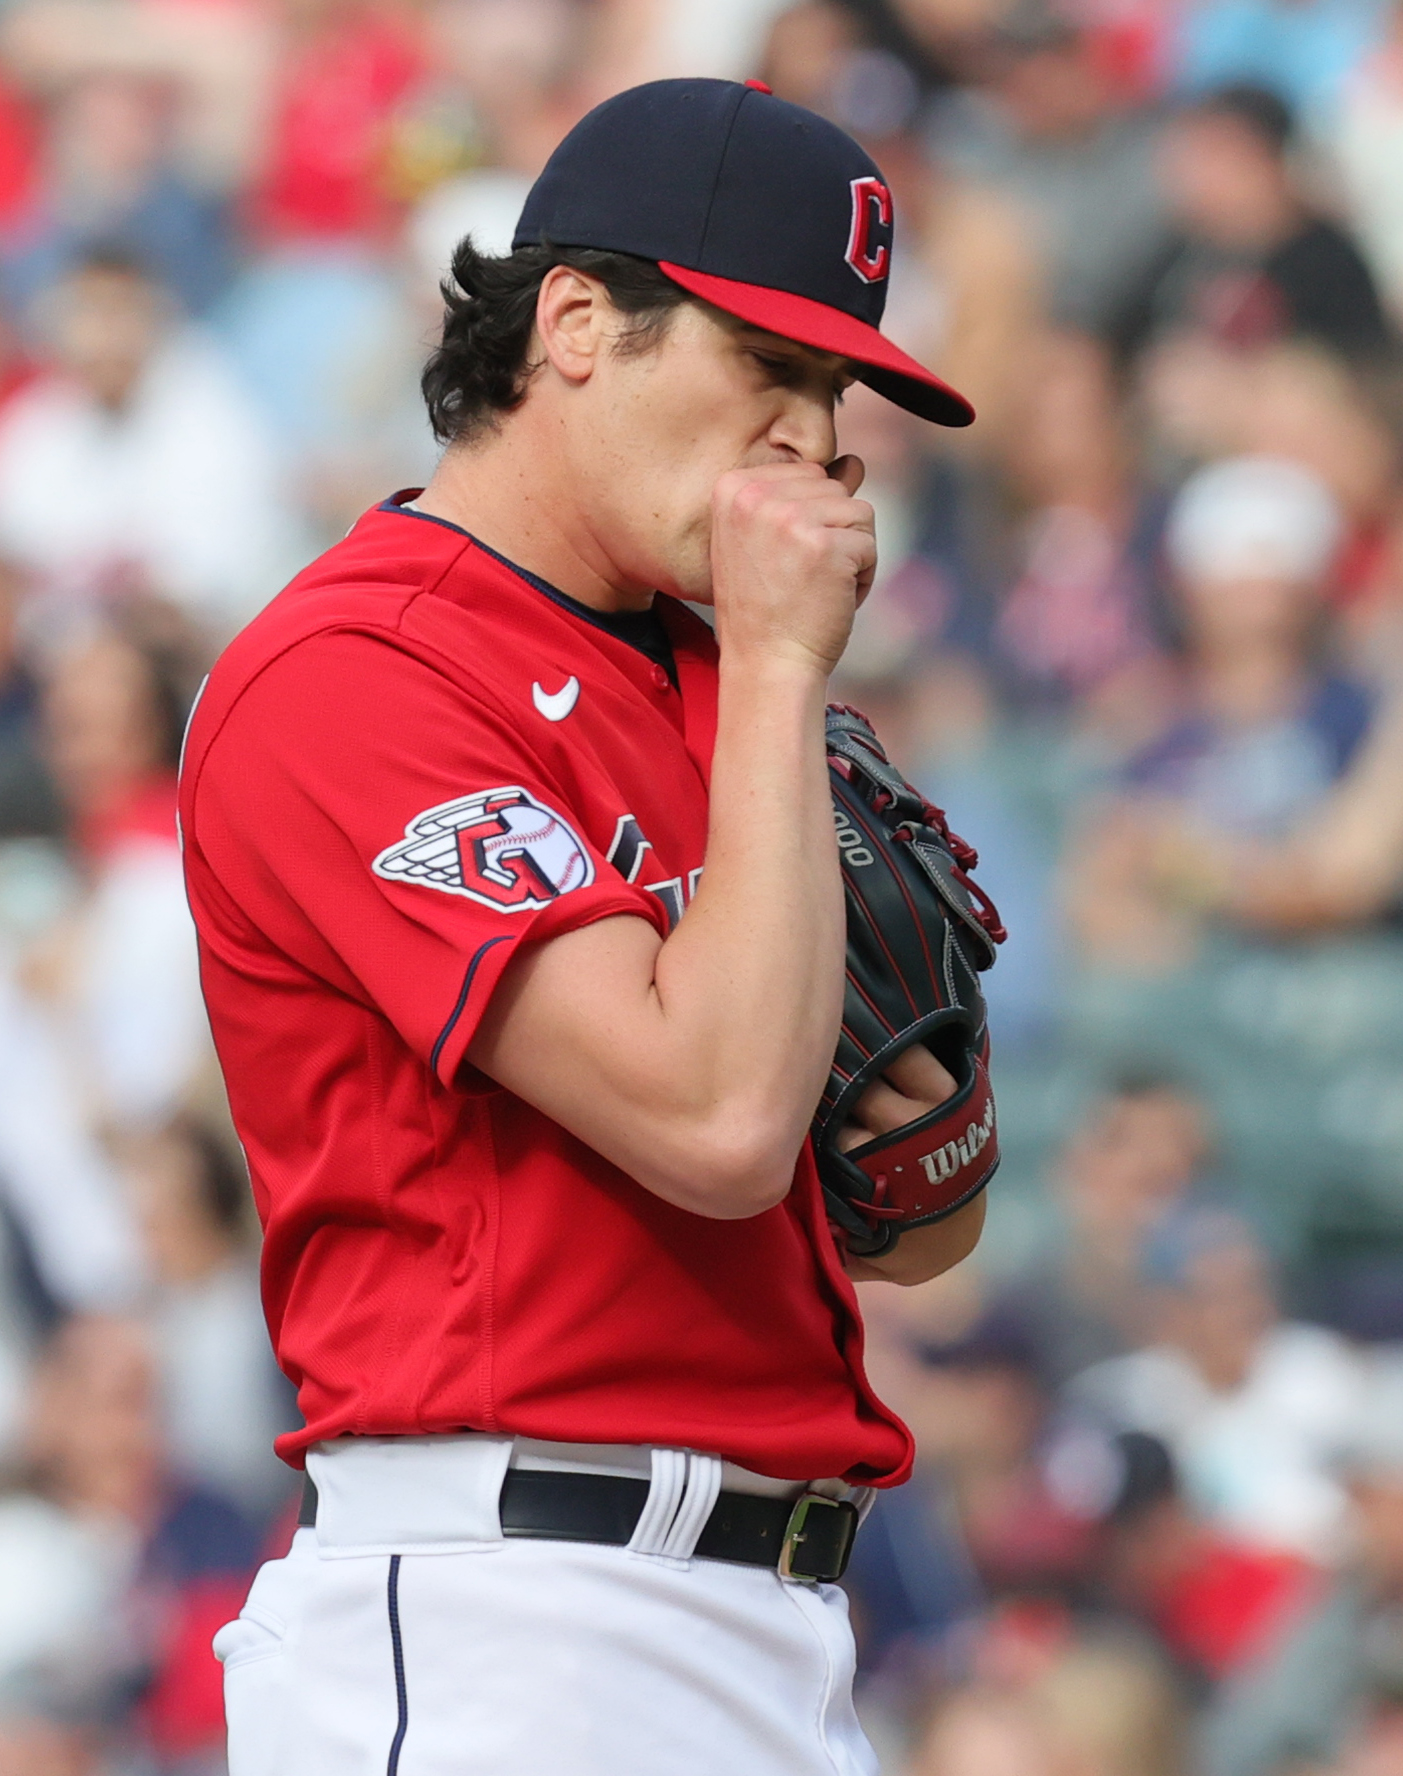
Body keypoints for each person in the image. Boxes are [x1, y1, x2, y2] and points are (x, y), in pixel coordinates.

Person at [179, 77, 989, 1775]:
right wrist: (778, 667)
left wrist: (927, 1141)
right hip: (511, 1620)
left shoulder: (720, 684)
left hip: (770, 1622)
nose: (807, 433)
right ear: (573, 324)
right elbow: (711, 1122)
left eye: (831, 386)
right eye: (763, 365)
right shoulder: (357, 673)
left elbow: (913, 1235)